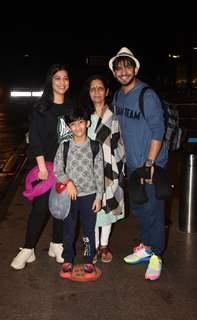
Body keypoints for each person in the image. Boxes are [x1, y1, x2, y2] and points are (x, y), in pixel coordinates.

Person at [109, 47, 168, 281]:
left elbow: (158, 130)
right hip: (132, 165)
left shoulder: (147, 95)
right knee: (141, 208)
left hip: (150, 164)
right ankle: (146, 248)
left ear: (135, 68)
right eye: (119, 68)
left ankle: (157, 256)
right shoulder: (117, 96)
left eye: (128, 66)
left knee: (153, 210)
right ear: (114, 73)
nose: (124, 71)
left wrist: (150, 163)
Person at [11, 64, 73, 270]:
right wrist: (42, 167)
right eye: (58, 78)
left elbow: (68, 140)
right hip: (44, 166)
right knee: (39, 208)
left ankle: (57, 244)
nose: (62, 82)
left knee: (60, 207)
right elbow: (35, 139)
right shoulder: (41, 109)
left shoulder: (70, 109)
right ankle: (28, 249)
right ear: (50, 81)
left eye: (65, 78)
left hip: (64, 166)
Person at [54, 106, 104, 280]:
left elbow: (99, 173)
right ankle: (67, 259)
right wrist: (68, 182)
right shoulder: (64, 147)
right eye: (73, 124)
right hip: (70, 197)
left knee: (89, 231)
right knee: (68, 230)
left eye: (81, 123)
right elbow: (57, 170)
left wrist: (99, 197)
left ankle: (88, 259)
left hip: (89, 196)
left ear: (87, 123)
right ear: (68, 127)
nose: (77, 127)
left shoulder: (95, 147)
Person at [81, 74, 125, 263]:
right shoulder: (83, 116)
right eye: (93, 89)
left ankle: (104, 245)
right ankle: (92, 244)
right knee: (91, 209)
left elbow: (121, 143)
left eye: (101, 88)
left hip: (110, 168)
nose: (97, 92)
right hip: (88, 170)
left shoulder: (115, 116)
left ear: (107, 92)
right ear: (89, 93)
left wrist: (119, 168)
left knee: (107, 208)